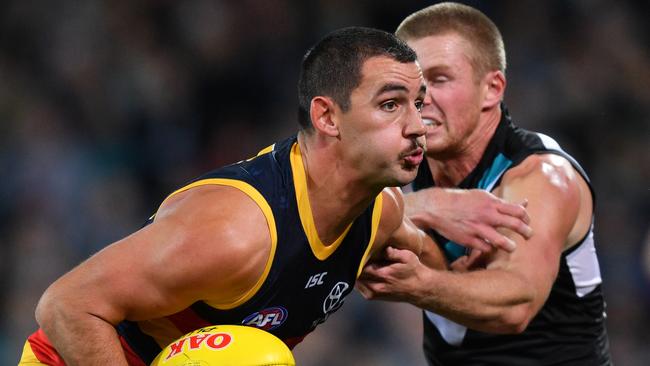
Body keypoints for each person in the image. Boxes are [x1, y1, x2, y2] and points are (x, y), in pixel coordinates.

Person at [19, 26, 529, 366]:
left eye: (419, 105)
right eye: (392, 104)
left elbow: (447, 282)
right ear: (328, 118)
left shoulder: (382, 213)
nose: (420, 126)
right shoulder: (235, 230)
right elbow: (66, 306)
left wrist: (463, 265)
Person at [357, 3, 612, 365]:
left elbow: (517, 303)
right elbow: (319, 223)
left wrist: (418, 285)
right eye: (408, 86)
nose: (421, 99)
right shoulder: (398, 171)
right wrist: (425, 205)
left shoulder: (540, 175)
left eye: (440, 79)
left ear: (492, 89)